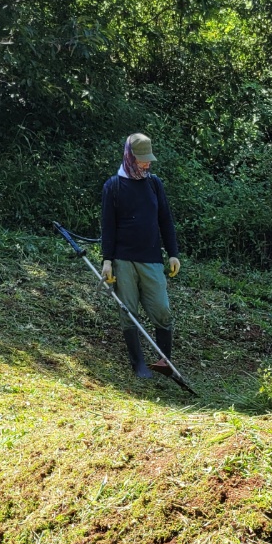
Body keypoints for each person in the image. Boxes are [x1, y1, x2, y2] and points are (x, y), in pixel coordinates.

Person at [101, 133, 181, 379]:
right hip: (123, 260)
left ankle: (164, 364)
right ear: (130, 156)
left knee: (162, 310)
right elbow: (108, 226)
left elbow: (165, 219)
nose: (147, 164)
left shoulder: (154, 184)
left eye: (148, 159)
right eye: (142, 159)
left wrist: (173, 254)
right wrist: (107, 261)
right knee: (128, 312)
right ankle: (139, 365)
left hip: (152, 259)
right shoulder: (113, 186)